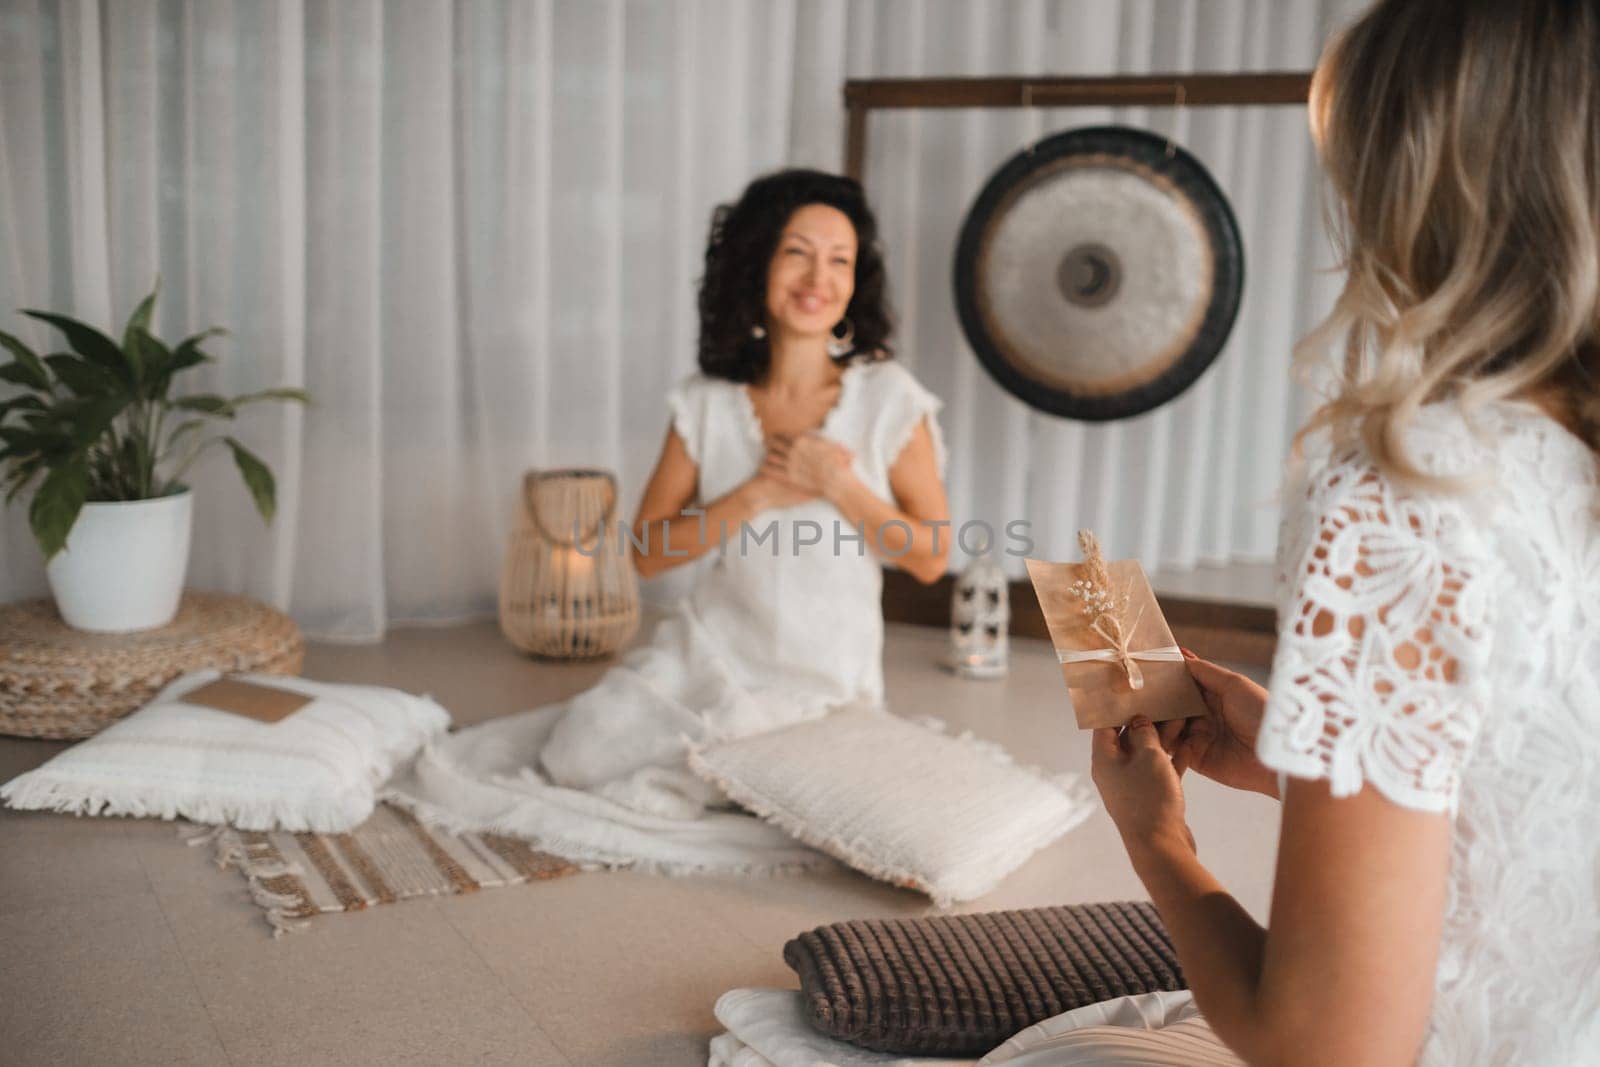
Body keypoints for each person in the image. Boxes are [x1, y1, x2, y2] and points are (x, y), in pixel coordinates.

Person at [1085, 2, 1600, 1064]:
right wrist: (1307, 759)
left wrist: (1158, 839)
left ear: (1411, 180)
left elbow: (1323, 1044)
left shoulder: (1402, 491)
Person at [387, 169, 950, 867]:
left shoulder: (887, 398)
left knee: (800, 783)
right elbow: (646, 552)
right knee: (577, 748)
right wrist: (754, 494)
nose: (819, 276)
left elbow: (930, 556)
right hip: (712, 653)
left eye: (841, 259)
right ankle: (729, 774)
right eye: (797, 252)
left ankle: (750, 772)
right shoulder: (708, 401)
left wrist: (839, 485)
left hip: (823, 679)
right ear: (757, 264)